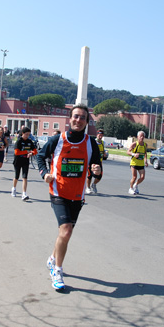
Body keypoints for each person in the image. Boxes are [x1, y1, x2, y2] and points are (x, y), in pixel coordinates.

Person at [36, 104, 102, 290]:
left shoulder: (91, 143)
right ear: (70, 118)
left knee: (65, 234)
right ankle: (57, 270)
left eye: (82, 117)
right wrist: (44, 174)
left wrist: (96, 171)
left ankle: (52, 258)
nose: (78, 120)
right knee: (65, 230)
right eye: (75, 116)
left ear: (87, 122)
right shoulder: (58, 139)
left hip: (77, 195)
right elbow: (40, 157)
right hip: (58, 192)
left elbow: (97, 169)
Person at [12, 127, 37, 200]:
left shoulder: (30, 141)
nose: (27, 136)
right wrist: (26, 152)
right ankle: (14, 188)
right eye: (26, 134)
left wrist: (31, 153)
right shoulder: (19, 141)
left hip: (25, 161)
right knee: (16, 176)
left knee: (25, 177)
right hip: (18, 161)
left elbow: (35, 151)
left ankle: (24, 194)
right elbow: (16, 152)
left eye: (29, 134)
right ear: (22, 133)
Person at [86, 129, 105, 194]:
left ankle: (94, 184)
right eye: (99, 135)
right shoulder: (93, 142)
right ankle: (88, 188)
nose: (100, 136)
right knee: (90, 175)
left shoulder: (102, 142)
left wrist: (104, 153)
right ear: (97, 135)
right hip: (92, 161)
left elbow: (103, 150)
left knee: (100, 176)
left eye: (101, 135)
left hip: (99, 161)